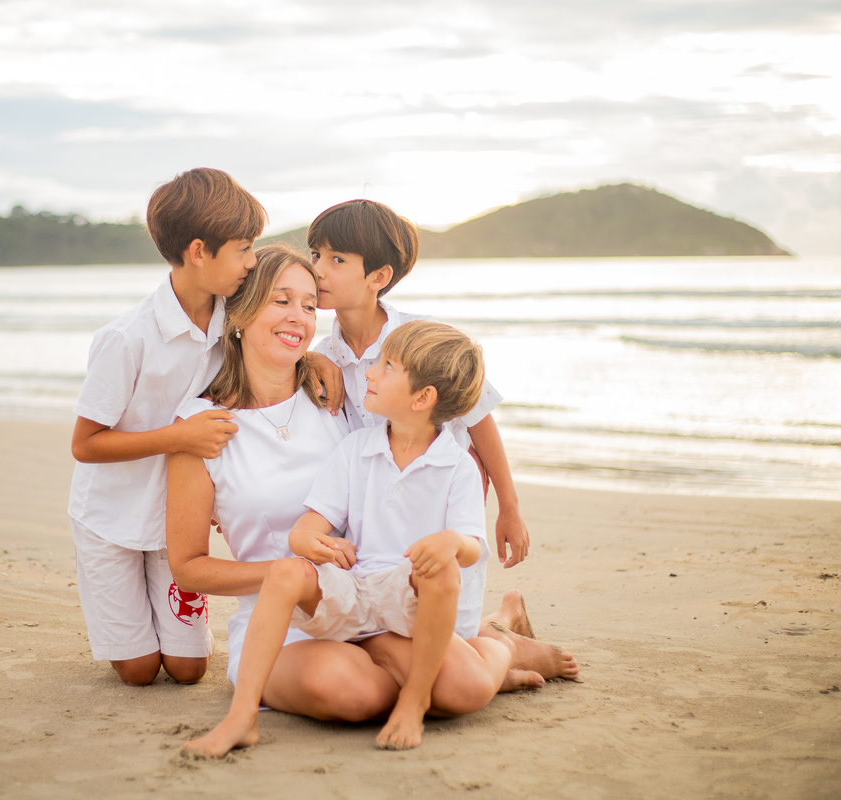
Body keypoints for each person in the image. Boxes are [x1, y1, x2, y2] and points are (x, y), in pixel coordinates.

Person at [167, 245, 578, 741]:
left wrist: (501, 503)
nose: (298, 317)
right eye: (281, 302)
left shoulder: (333, 392)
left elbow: (427, 425)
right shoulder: (200, 426)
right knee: (353, 694)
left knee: (457, 690)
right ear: (240, 312)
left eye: (309, 306)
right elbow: (187, 567)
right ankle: (488, 639)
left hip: (371, 601)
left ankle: (490, 647)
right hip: (287, 615)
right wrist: (293, 575)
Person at [68, 169, 343, 687]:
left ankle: (179, 634)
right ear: (199, 252)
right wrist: (181, 438)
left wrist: (316, 359)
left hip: (173, 511)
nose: (250, 261)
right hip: (111, 516)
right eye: (243, 249)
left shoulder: (226, 314)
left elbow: (270, 337)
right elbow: (84, 444)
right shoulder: (128, 338)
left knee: (189, 669)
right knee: (139, 671)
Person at [309, 199, 531, 573]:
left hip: (439, 505)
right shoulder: (323, 354)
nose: (317, 270)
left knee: (445, 618)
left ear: (378, 277)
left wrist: (509, 509)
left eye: (337, 260)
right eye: (315, 255)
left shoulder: (419, 337)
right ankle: (505, 618)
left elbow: (479, 419)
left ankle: (506, 621)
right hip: (372, 520)